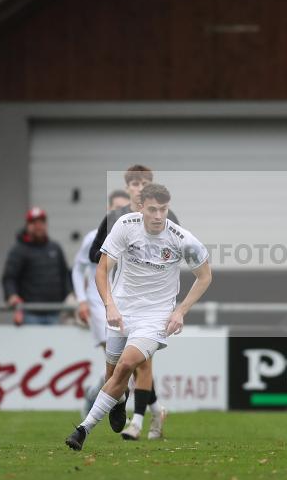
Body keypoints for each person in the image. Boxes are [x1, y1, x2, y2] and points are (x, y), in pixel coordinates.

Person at [65, 183, 211, 451]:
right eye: (153, 209)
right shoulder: (124, 225)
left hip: (156, 317)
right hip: (122, 310)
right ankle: (119, 400)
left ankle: (82, 429)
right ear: (141, 206)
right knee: (112, 373)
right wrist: (109, 305)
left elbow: (205, 276)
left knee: (125, 366)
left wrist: (180, 311)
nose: (158, 215)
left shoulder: (182, 238)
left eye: (163, 209)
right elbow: (101, 270)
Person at [72, 190, 168, 439]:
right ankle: (145, 408)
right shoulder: (116, 224)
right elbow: (93, 259)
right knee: (118, 370)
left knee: (138, 363)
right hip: (116, 303)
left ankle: (136, 422)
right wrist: (115, 249)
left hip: (145, 310)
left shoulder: (158, 227)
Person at [87, 165, 179, 264]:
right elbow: (93, 253)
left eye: (145, 184)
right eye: (135, 184)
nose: (140, 189)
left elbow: (178, 250)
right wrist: (115, 255)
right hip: (121, 277)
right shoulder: (114, 217)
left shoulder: (167, 216)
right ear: (127, 188)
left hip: (157, 277)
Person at [2, 207, 72, 325]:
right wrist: (12, 295)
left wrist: (70, 295)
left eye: (41, 222)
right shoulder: (18, 250)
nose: (38, 226)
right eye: (34, 223)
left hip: (55, 312)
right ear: (28, 226)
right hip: (30, 313)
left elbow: (64, 275)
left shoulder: (55, 248)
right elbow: (9, 277)